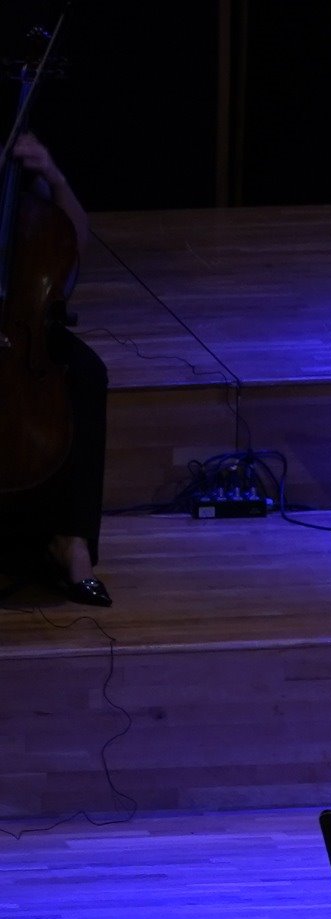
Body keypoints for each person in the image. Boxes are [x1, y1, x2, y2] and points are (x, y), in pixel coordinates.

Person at [0, 132, 112, 607]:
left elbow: (73, 243)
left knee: (86, 372)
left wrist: (53, 174)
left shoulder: (17, 163)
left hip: (19, 321)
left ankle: (72, 541)